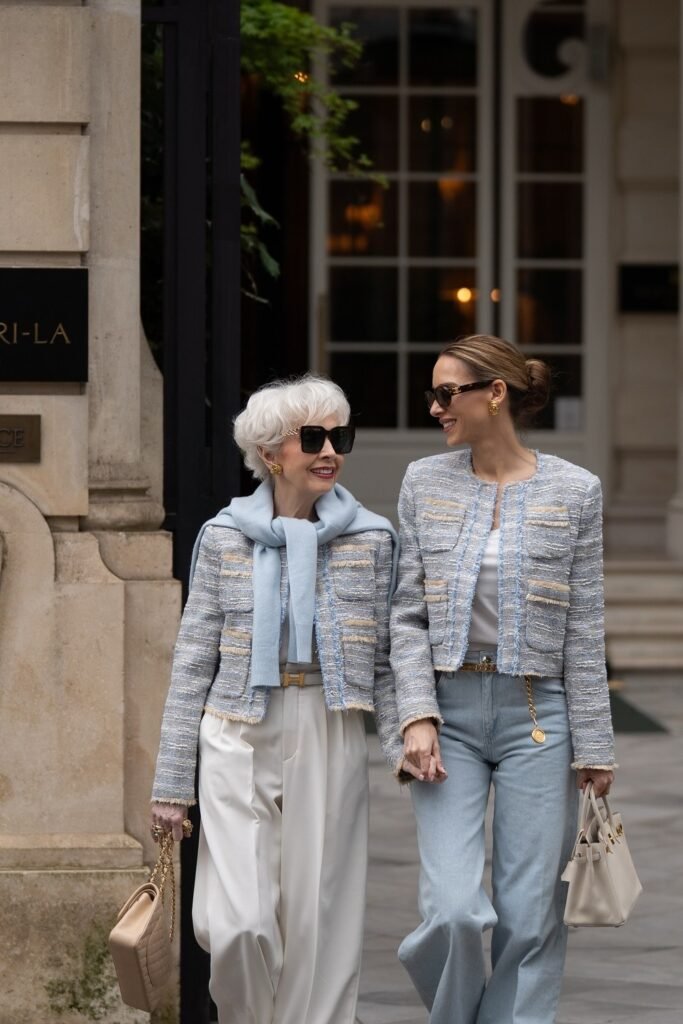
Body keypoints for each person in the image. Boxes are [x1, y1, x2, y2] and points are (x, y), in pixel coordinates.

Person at [150, 374, 410, 1024]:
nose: (329, 451)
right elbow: (190, 665)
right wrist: (169, 785)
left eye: (338, 436)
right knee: (237, 924)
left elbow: (384, 658)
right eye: (313, 438)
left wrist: (409, 735)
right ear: (270, 452)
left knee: (320, 915)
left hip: (330, 723)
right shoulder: (222, 536)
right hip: (236, 728)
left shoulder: (371, 539)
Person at [389, 335, 616, 1024]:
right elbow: (405, 615)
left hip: (537, 716)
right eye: (431, 394)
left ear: (494, 393)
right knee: (453, 910)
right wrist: (415, 714)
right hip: (446, 717)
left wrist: (595, 745)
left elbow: (583, 625)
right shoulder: (422, 482)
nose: (433, 407)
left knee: (529, 913)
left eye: (445, 392)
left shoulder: (575, 490)